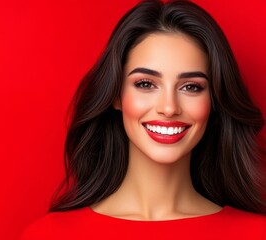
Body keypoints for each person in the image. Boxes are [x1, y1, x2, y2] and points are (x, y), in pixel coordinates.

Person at [21, 0, 266, 239]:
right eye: (146, 84)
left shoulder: (257, 233)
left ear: (213, 101)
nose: (169, 108)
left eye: (191, 87)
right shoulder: (48, 235)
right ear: (116, 95)